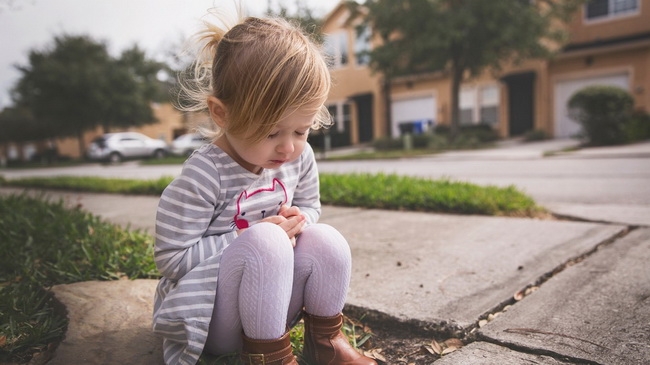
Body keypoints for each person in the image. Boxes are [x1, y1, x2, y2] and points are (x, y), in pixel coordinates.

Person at [152, 12, 377, 365]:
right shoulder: (204, 174)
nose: (288, 147)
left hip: (270, 306)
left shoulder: (297, 158)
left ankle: (326, 344)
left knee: (327, 238)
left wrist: (299, 219)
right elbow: (171, 259)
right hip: (211, 317)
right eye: (272, 132)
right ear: (221, 114)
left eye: (301, 131)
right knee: (266, 242)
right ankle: (267, 359)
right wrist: (250, 237)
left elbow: (311, 207)